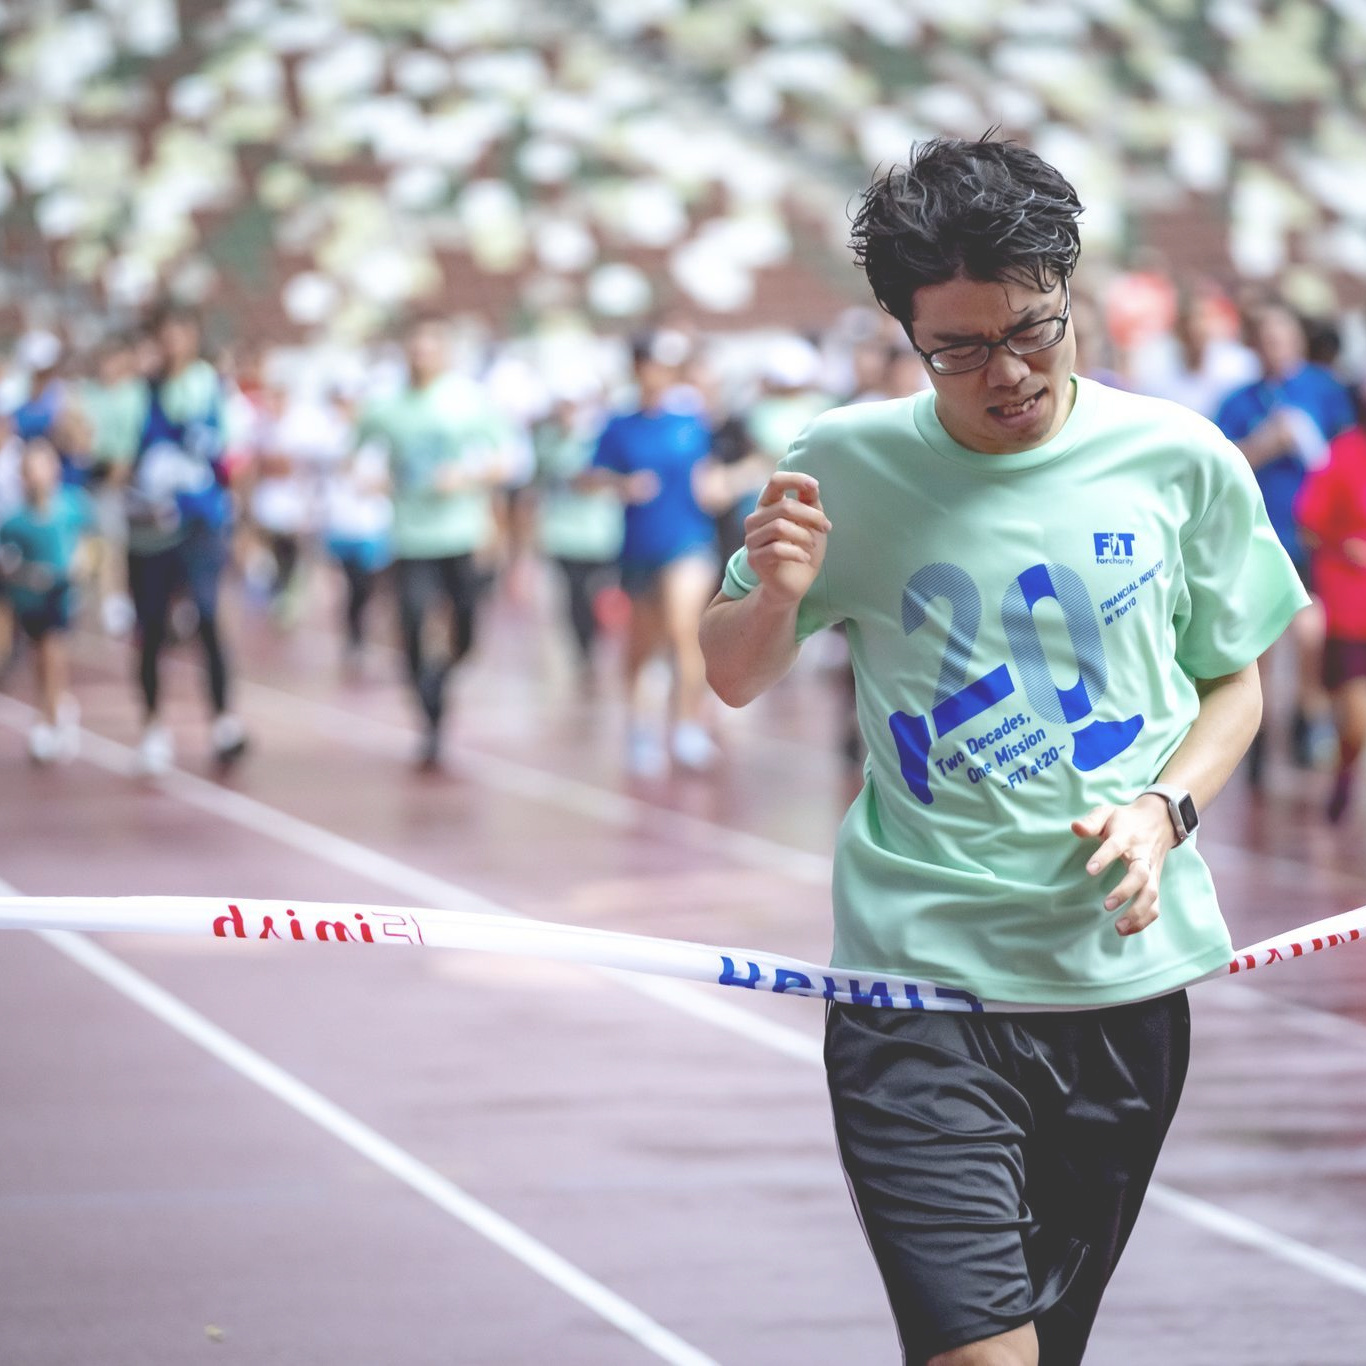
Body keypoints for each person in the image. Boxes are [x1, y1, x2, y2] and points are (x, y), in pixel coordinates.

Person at [699, 136, 1308, 1366]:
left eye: (1033, 329)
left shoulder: (1180, 459)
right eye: (960, 349)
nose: (1009, 372)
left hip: (1116, 988)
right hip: (916, 992)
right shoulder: (841, 465)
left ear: (1069, 292)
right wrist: (776, 597)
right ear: (906, 337)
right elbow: (731, 672)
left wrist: (1164, 811)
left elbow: (1232, 682)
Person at [354, 314, 513, 769]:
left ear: (445, 352)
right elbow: (356, 451)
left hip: (460, 535)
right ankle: (430, 719)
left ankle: (443, 677)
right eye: (415, 348)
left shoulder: (468, 400)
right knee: (411, 622)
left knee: (465, 631)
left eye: (430, 348)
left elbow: (506, 460)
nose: (421, 356)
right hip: (411, 538)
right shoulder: (388, 406)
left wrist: (467, 475)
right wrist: (371, 478)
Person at [1214, 300, 1355, 781]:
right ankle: (1256, 736)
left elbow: (1345, 456)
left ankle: (1307, 719)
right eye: (1265, 340)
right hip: (1258, 532)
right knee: (1262, 643)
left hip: (1310, 536)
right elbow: (1221, 464)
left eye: (1282, 338)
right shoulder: (1240, 400)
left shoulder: (1324, 390)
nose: (1273, 348)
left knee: (1310, 631)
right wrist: (1264, 443)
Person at [111, 302, 248, 775]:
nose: (171, 342)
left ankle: (224, 719)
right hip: (150, 529)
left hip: (200, 524)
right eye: (163, 334)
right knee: (150, 627)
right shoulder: (138, 394)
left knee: (207, 613)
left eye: (179, 332)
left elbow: (233, 457)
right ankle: (152, 726)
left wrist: (239, 519)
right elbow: (118, 458)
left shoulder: (214, 388)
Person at [587, 329, 719, 777]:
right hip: (640, 543)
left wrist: (720, 486)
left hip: (689, 539)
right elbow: (589, 475)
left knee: (684, 628)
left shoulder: (691, 420)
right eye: (647, 365)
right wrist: (621, 484)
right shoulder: (618, 425)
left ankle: (687, 725)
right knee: (642, 643)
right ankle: (641, 727)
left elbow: (708, 474)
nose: (654, 374)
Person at [1296, 397, 1366, 823]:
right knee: (1357, 717)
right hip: (1351, 607)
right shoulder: (1342, 454)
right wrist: (1344, 546)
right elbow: (1308, 522)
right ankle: (1343, 771)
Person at [0, 437, 91, 762]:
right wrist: (24, 574)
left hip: (60, 592)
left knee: (53, 652)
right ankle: (54, 704)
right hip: (29, 599)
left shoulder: (72, 506)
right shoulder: (15, 521)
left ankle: (49, 721)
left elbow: (89, 542)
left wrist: (81, 563)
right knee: (39, 657)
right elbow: (7, 563)